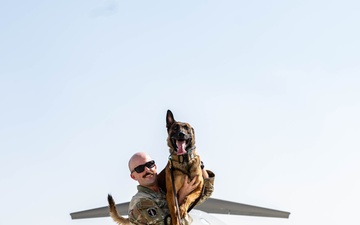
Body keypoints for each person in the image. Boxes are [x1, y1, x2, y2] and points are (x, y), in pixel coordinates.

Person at [127, 152, 215, 225]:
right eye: (140, 168)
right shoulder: (141, 202)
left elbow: (206, 192)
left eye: (150, 164)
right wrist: (181, 197)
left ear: (155, 166)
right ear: (133, 177)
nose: (147, 170)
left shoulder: (166, 191)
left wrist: (199, 165)